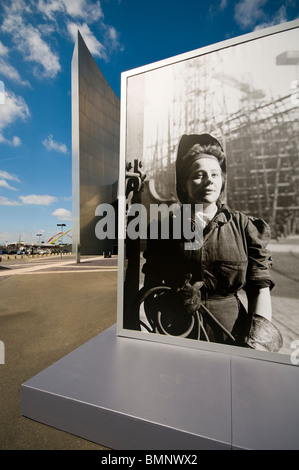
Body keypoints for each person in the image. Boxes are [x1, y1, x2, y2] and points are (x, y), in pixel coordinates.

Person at [140, 133, 282, 352]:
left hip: (234, 337)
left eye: (215, 175)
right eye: (198, 175)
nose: (209, 181)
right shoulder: (165, 229)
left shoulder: (245, 228)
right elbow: (151, 290)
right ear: (185, 185)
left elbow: (259, 289)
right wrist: (174, 302)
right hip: (180, 336)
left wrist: (257, 344)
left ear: (222, 180)